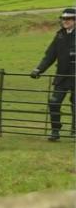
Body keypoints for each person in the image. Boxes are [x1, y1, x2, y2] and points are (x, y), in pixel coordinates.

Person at [30, 8, 75, 141]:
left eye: (68, 19)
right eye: (63, 19)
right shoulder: (59, 35)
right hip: (61, 76)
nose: (65, 21)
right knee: (54, 102)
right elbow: (50, 55)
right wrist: (38, 69)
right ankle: (55, 130)